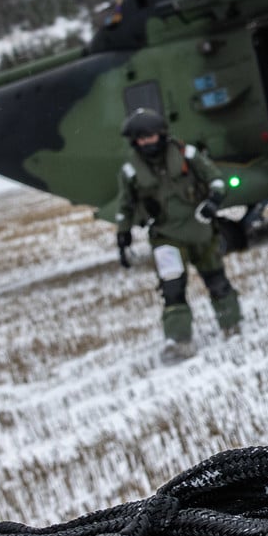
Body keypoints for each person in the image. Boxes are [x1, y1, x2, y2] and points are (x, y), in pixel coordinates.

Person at [112, 107, 242, 364]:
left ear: (161, 134)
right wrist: (123, 235)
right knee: (172, 289)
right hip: (165, 236)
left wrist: (214, 201)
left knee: (216, 280)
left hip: (200, 230)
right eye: (141, 139)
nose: (147, 143)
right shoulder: (130, 170)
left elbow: (216, 179)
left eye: (150, 136)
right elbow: (124, 206)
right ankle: (179, 341)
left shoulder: (186, 154)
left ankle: (231, 324)